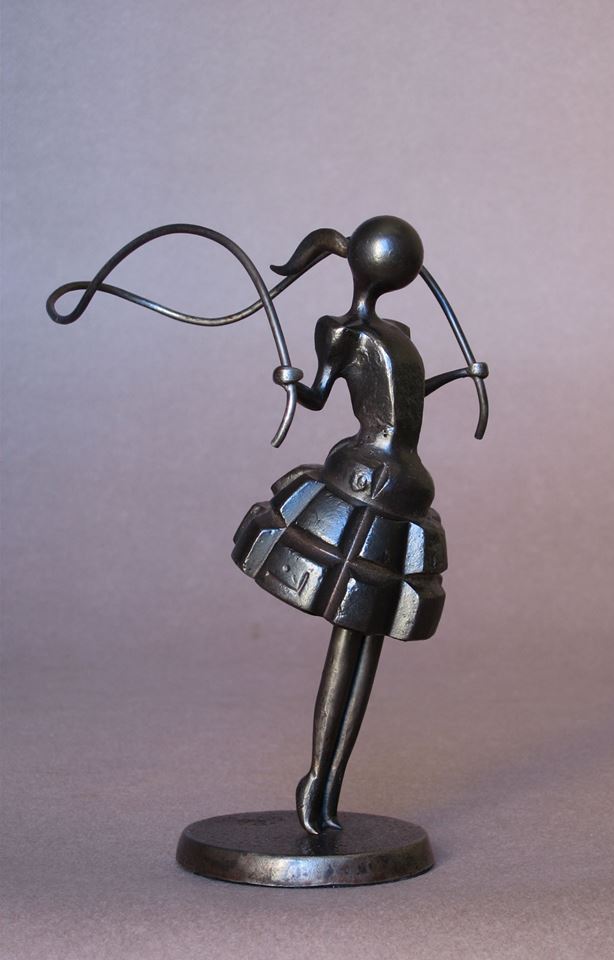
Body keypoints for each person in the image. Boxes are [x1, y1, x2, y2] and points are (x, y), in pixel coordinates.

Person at [232, 216, 486, 834]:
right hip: (384, 481)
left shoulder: (382, 334)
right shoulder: (354, 334)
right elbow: (335, 400)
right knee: (358, 633)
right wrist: (294, 384)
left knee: (363, 633)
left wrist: (459, 377)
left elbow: (393, 401)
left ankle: (324, 779)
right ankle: (321, 780)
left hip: (390, 484)